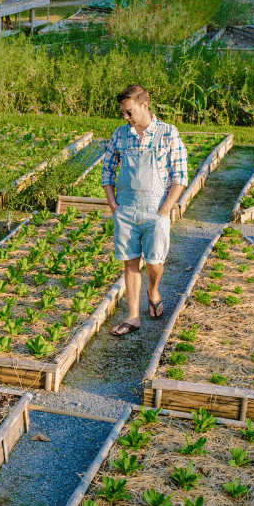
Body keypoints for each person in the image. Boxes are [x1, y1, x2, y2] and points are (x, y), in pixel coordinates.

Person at [100, 85, 188, 336]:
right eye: (123, 114)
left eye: (129, 112)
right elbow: (107, 171)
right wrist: (114, 206)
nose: (126, 118)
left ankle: (153, 289)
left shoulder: (168, 133)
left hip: (155, 210)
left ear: (144, 106)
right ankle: (133, 316)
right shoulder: (120, 135)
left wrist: (164, 211)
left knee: (155, 262)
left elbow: (180, 177)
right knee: (130, 263)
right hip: (126, 210)